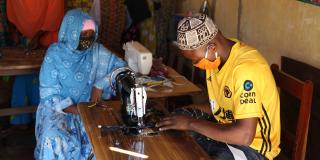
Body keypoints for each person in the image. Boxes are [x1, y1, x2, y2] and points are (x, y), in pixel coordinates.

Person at [156, 14, 280, 160]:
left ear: (212, 47)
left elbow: (244, 135)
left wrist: (190, 123)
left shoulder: (247, 70)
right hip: (228, 136)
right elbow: (219, 105)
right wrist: (186, 113)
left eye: (196, 60)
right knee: (176, 139)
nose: (196, 65)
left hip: (254, 149)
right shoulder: (218, 57)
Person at [34, 9, 126, 159]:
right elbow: (49, 96)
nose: (88, 39)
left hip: (88, 109)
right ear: (71, 32)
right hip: (59, 110)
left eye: (91, 34)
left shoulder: (96, 51)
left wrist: (100, 85)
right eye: (83, 35)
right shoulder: (54, 55)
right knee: (54, 138)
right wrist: (79, 110)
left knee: (103, 138)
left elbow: (122, 68)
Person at [6, 0, 64, 127]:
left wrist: (37, 37)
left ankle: (44, 119)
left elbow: (55, 17)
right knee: (22, 75)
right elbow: (10, 13)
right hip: (26, 40)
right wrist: (13, 31)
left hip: (48, 39)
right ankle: (22, 119)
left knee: (44, 78)